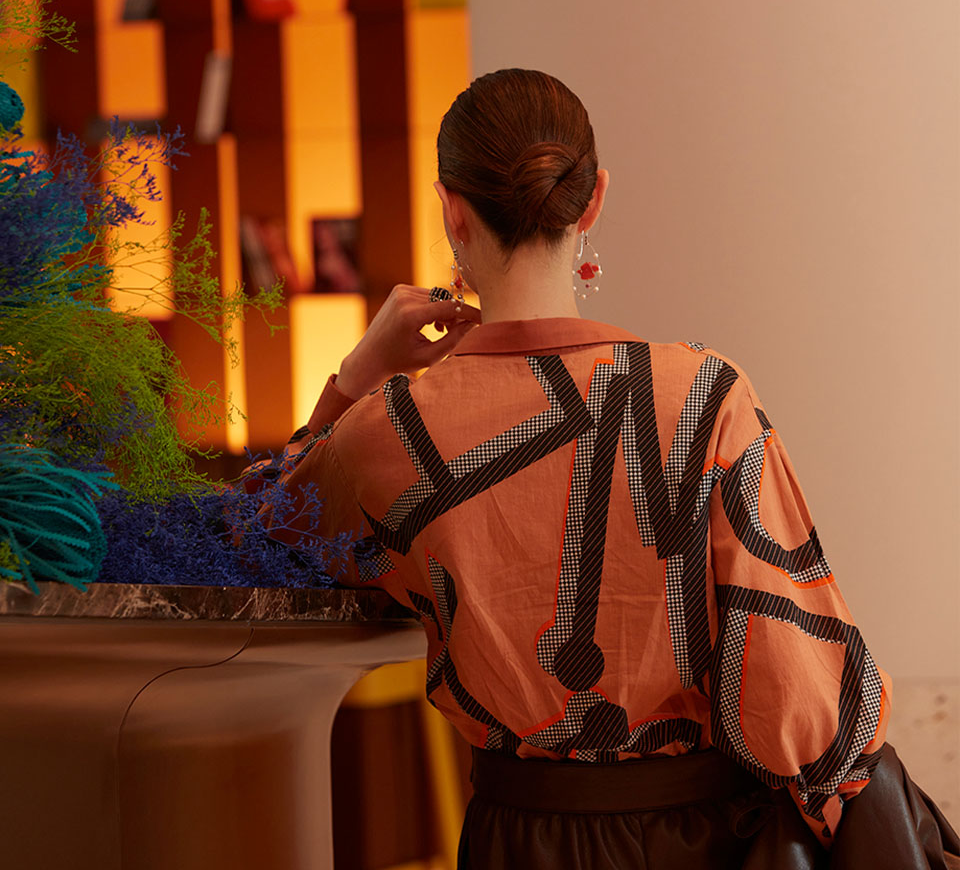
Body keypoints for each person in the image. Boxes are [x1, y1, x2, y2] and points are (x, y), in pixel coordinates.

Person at [262, 69, 958, 869]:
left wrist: (355, 377)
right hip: (700, 842)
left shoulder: (387, 432)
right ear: (591, 201)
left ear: (451, 211)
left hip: (512, 841)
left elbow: (254, 533)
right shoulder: (701, 398)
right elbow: (800, 695)